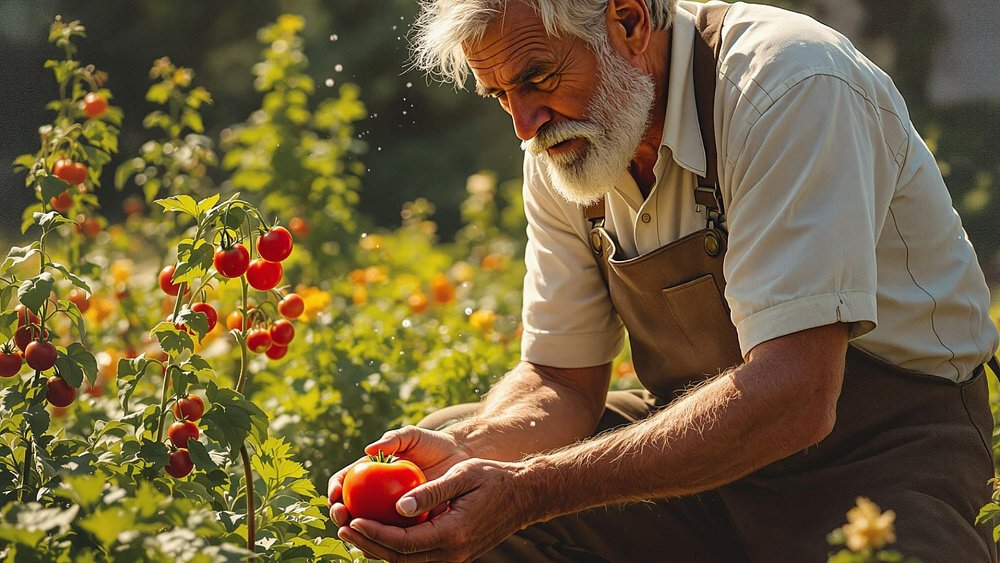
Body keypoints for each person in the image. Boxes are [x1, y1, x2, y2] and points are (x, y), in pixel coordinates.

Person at [328, 0, 1000, 560]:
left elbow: (797, 394)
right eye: (501, 94)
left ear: (627, 20)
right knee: (452, 483)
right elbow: (560, 379)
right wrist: (470, 452)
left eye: (537, 76)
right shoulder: (566, 146)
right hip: (700, 468)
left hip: (883, 456)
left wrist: (532, 488)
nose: (524, 123)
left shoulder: (786, 85)